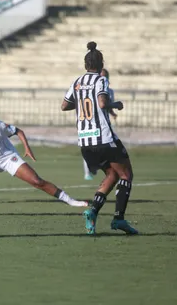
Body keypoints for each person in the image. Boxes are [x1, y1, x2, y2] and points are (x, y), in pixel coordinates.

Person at [61, 41, 138, 235]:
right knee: (126, 174)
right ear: (101, 64)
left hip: (85, 142)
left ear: (85, 64)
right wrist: (116, 104)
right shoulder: (100, 80)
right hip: (103, 137)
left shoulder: (76, 82)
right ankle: (119, 219)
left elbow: (64, 105)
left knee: (111, 175)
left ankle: (92, 211)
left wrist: (80, 103)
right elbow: (102, 103)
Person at [83, 68, 117, 180]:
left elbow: (107, 104)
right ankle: (89, 170)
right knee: (90, 146)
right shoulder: (92, 89)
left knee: (107, 147)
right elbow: (102, 104)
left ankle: (101, 167)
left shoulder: (110, 91)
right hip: (93, 123)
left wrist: (112, 112)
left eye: (105, 76)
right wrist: (116, 105)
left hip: (105, 124)